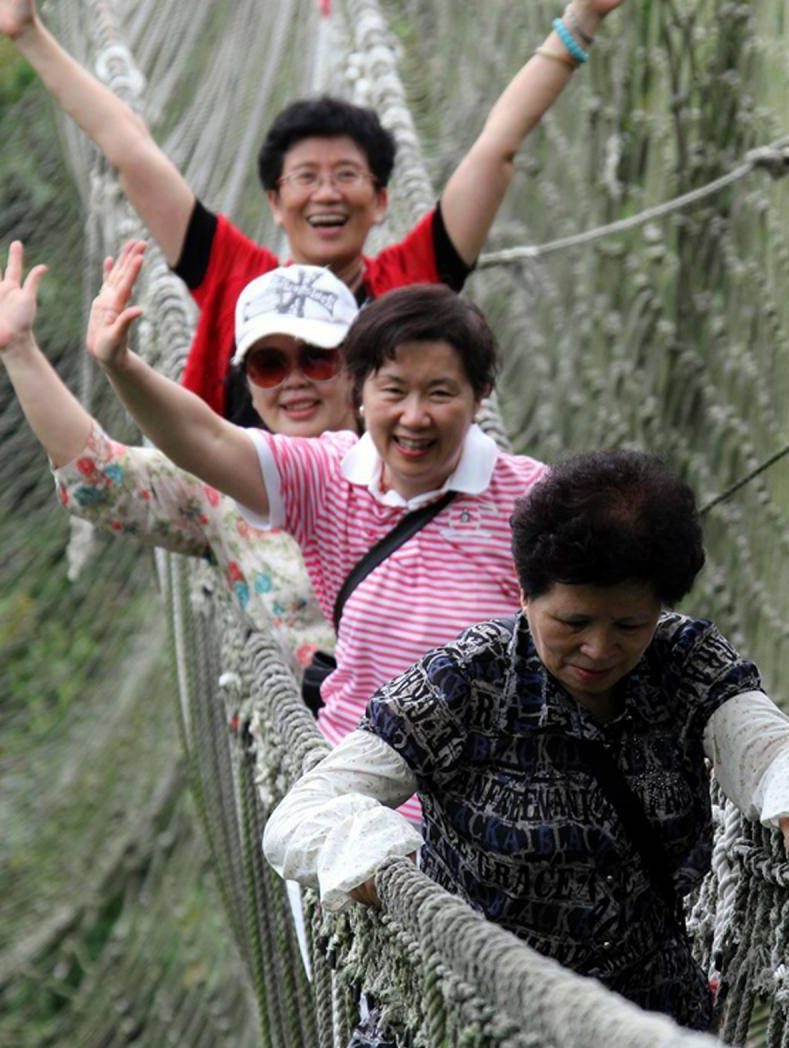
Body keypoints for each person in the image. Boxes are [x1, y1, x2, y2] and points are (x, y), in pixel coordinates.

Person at [0, 0, 673, 425]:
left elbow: (497, 147)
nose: (326, 192)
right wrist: (30, 36)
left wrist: (579, 20)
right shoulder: (234, 280)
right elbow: (129, 148)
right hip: (256, 531)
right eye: (305, 177)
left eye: (347, 176)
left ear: (380, 199)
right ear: (274, 201)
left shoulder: (413, 279)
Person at [261, 450, 789, 1036]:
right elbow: (305, 812)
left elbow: (768, 747)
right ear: (524, 593)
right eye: (573, 622)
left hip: (644, 1024)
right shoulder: (465, 682)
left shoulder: (685, 662)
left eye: (629, 624)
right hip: (476, 1016)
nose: (599, 650)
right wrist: (385, 869)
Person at [87, 242, 547, 821]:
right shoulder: (325, 475)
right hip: (362, 804)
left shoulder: (532, 499)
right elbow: (203, 441)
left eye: (440, 393)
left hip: (501, 811)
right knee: (294, 836)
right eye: (394, 390)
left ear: (480, 398)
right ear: (362, 393)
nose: (414, 416)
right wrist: (120, 365)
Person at [0, 241, 362, 670]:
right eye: (269, 365)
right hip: (298, 730)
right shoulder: (222, 489)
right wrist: (19, 351)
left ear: (358, 365)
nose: (294, 380)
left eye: (317, 358)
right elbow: (98, 477)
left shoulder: (413, 461)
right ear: (247, 382)